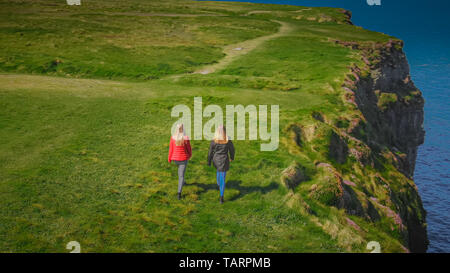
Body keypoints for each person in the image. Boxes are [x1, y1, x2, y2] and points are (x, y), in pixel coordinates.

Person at [208, 125, 235, 204]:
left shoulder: (214, 140)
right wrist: (232, 157)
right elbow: (232, 150)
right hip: (224, 160)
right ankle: (221, 196)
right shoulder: (228, 140)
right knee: (222, 177)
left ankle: (219, 185)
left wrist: (209, 161)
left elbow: (210, 152)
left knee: (219, 172)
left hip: (216, 160)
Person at [168, 124, 192, 200]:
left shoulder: (172, 138)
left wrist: (169, 158)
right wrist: (189, 155)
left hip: (175, 159)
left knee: (180, 172)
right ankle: (179, 193)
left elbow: (171, 149)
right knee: (181, 176)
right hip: (183, 159)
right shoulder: (186, 138)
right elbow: (189, 149)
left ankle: (183, 182)